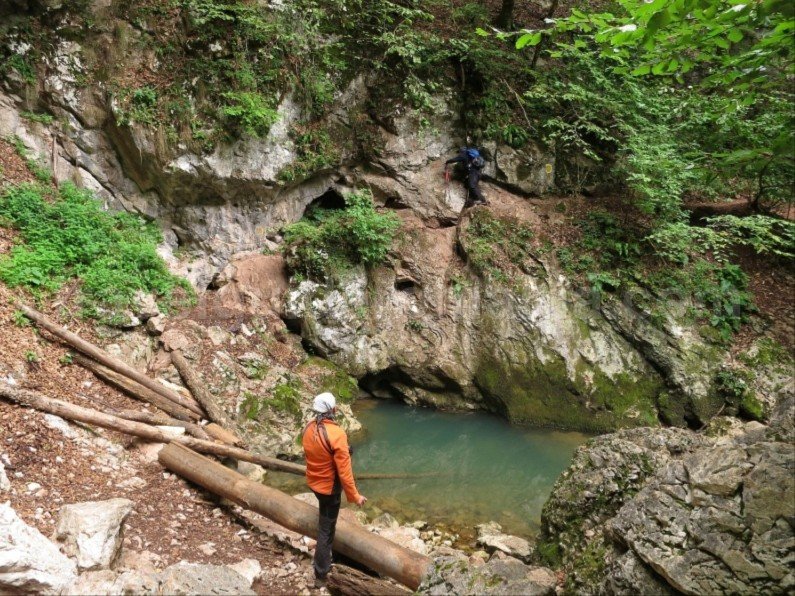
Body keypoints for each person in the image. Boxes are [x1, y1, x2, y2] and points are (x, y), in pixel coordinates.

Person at [302, 392, 367, 584]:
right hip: (329, 489)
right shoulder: (336, 434)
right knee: (326, 529)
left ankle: (331, 557)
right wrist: (355, 496)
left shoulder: (308, 427)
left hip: (314, 483)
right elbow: (345, 473)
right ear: (333, 410)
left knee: (326, 519)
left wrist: (344, 451)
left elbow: (317, 454)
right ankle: (321, 573)